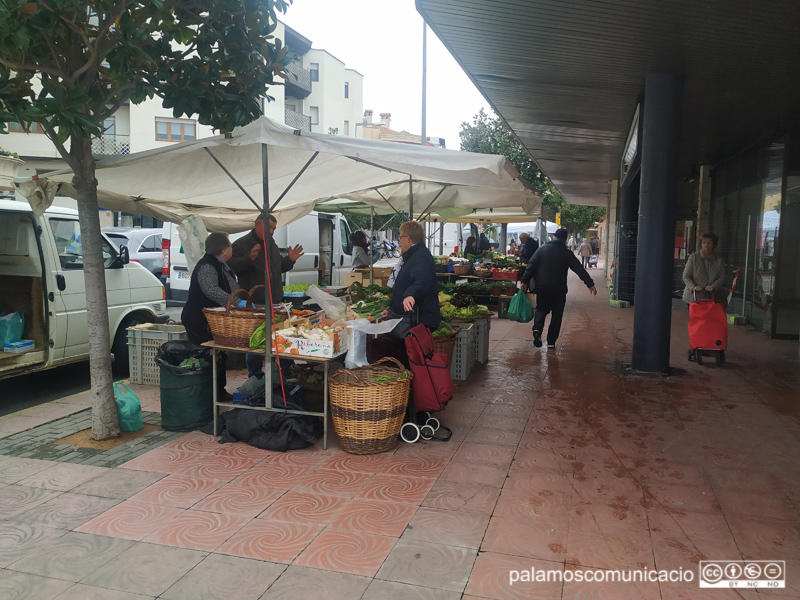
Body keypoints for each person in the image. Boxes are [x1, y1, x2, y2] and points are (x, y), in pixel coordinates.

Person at [229, 214, 304, 378]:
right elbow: (231, 267)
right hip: (255, 301)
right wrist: (248, 259)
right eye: (269, 228)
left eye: (274, 229)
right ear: (257, 224)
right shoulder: (241, 244)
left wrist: (289, 260)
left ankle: (287, 371)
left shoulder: (272, 244)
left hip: (275, 300)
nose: (271, 232)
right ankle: (255, 375)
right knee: (256, 340)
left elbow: (277, 269)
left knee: (281, 336)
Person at [181, 232, 239, 401]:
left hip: (212, 319)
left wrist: (241, 302)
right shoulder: (207, 266)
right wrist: (234, 302)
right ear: (223, 250)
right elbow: (212, 290)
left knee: (219, 356)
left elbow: (231, 286)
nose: (231, 249)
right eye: (230, 246)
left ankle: (219, 392)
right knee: (206, 356)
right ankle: (205, 395)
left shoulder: (220, 265)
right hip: (199, 320)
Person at [520, 228, 597, 350]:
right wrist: (590, 283)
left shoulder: (542, 250)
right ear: (565, 239)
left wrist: (524, 281)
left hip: (542, 287)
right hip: (559, 289)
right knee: (557, 315)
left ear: (555, 236)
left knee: (541, 310)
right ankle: (551, 341)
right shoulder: (565, 253)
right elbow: (578, 268)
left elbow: (531, 266)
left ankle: (537, 330)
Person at [381, 220, 440, 337]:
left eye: (399, 238)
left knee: (410, 353)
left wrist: (410, 294)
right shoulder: (415, 255)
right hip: (408, 316)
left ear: (408, 239)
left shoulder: (420, 257)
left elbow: (422, 280)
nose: (399, 242)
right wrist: (393, 312)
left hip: (415, 320)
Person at [682, 232, 726, 307]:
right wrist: (693, 287)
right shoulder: (694, 257)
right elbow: (686, 276)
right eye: (704, 243)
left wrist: (713, 287)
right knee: (696, 318)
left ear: (714, 245)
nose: (706, 245)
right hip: (694, 297)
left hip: (712, 297)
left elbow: (722, 277)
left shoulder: (719, 260)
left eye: (709, 243)